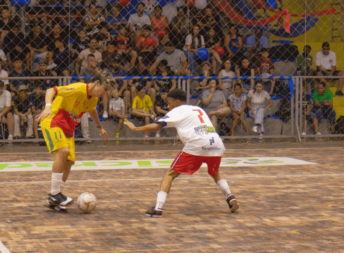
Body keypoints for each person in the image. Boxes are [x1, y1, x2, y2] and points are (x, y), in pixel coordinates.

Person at [124, 89, 239, 217]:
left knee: (170, 174)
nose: (167, 106)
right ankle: (230, 196)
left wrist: (135, 129)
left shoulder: (177, 110)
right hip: (216, 143)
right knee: (215, 172)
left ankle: (158, 208)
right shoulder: (197, 109)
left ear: (177, 102)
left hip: (197, 144)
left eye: (169, 102)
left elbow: (156, 126)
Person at [35, 70, 115, 212]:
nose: (105, 93)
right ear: (97, 83)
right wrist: (48, 106)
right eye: (105, 89)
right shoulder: (77, 88)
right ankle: (54, 194)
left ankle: (54, 200)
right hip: (53, 120)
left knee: (69, 161)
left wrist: (99, 127)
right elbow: (50, 90)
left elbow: (92, 111)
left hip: (67, 128)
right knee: (63, 152)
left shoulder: (94, 99)